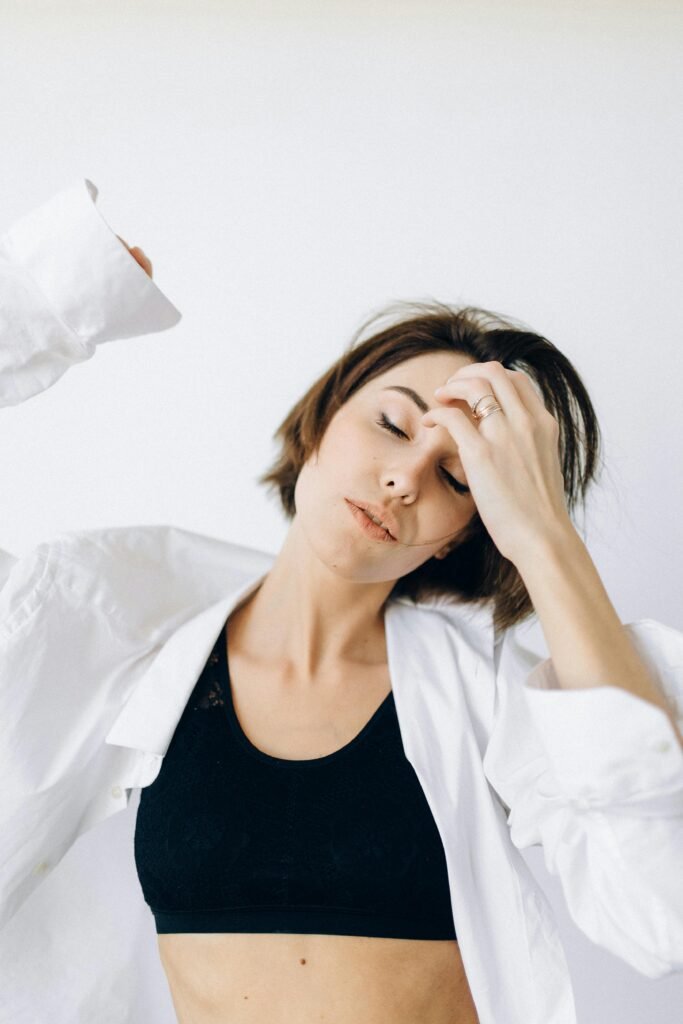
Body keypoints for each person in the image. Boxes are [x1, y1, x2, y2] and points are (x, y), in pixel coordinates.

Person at [1, 179, 682, 1024]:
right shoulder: (119, 632)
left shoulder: (495, 683)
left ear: (461, 535)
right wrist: (41, 303)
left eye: (458, 479)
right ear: (317, 425)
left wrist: (543, 535)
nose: (403, 479)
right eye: (393, 426)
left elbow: (662, 915)